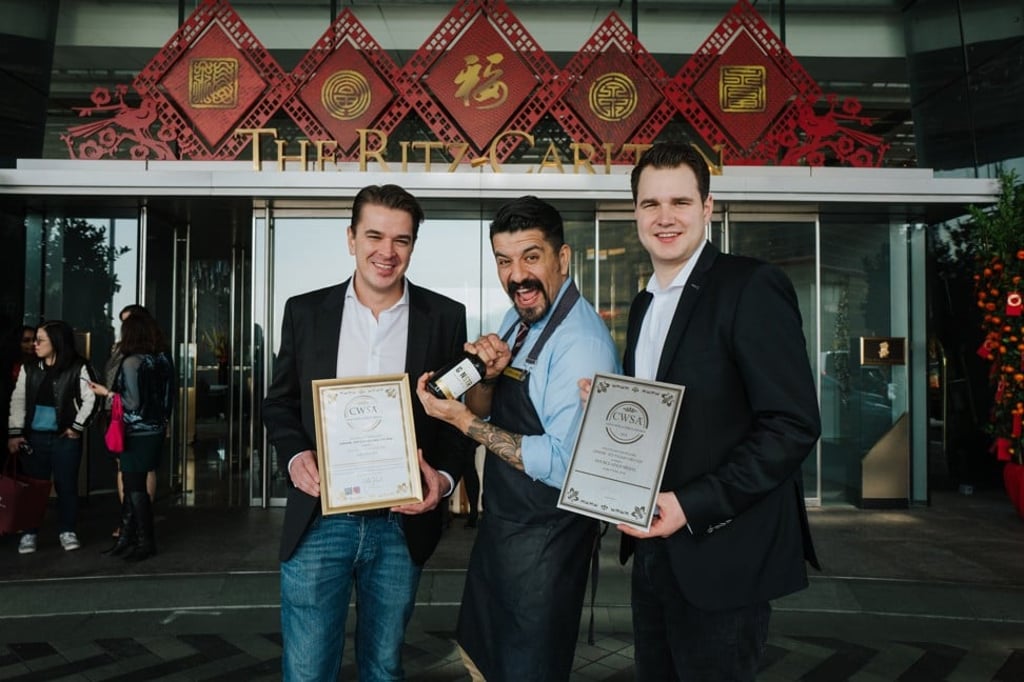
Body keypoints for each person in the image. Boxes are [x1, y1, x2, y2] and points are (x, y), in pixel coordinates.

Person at [609, 142, 821, 680]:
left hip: (724, 552)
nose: (664, 217)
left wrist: (692, 505)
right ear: (634, 211)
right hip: (653, 549)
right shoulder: (643, 304)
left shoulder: (750, 286)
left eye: (680, 202)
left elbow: (792, 425)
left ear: (707, 207)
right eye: (650, 204)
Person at [262, 183, 473, 681]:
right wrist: (296, 459)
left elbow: (455, 423)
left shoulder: (444, 317)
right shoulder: (305, 312)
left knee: (383, 668)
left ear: (413, 246)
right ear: (351, 238)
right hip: (320, 521)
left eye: (401, 240)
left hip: (401, 523)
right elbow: (279, 404)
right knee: (309, 671)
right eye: (375, 236)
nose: (387, 252)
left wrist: (441, 481)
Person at [415, 195, 619, 681]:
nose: (517, 276)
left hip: (548, 542)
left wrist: (461, 422)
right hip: (505, 532)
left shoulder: (581, 343)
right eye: (504, 261)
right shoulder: (520, 319)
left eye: (531, 257)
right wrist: (484, 380)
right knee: (487, 663)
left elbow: (565, 461)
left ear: (562, 259)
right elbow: (492, 406)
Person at [7, 320, 98, 554]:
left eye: (41, 340)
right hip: (34, 438)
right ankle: (29, 533)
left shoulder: (78, 366)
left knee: (66, 485)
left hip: (64, 438)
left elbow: (92, 398)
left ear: (56, 342)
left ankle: (67, 530)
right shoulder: (30, 367)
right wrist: (15, 432)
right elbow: (18, 400)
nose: (35, 344)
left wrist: (77, 427)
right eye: (34, 339)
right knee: (33, 487)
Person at [90, 313, 175, 562]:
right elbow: (169, 397)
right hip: (155, 429)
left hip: (136, 431)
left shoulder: (131, 362)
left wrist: (106, 392)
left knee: (134, 488)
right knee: (134, 485)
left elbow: (131, 402)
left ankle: (145, 541)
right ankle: (128, 538)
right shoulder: (162, 359)